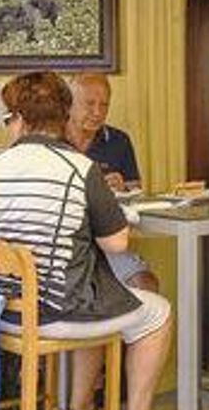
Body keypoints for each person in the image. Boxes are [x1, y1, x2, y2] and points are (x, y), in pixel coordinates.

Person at [0, 72, 177, 410]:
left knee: (110, 295)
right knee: (158, 314)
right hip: (55, 311)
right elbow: (116, 242)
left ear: (20, 119)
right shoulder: (78, 168)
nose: (8, 127)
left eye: (7, 119)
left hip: (2, 310)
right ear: (63, 115)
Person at [65, 73, 159, 293]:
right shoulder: (53, 140)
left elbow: (136, 192)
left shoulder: (118, 140)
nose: (97, 112)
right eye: (89, 104)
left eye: (104, 105)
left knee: (147, 285)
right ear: (68, 105)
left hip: (108, 240)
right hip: (65, 244)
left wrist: (123, 187)